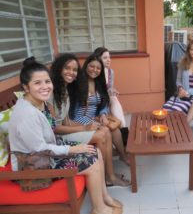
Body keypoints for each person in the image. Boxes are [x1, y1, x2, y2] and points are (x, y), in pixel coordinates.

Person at [8, 57, 123, 214]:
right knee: (91, 160)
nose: (45, 87)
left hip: (44, 154)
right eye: (37, 83)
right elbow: (39, 149)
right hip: (32, 165)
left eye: (47, 82)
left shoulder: (38, 103)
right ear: (26, 87)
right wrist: (71, 149)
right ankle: (99, 209)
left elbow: (53, 128)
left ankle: (105, 197)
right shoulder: (26, 113)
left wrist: (75, 143)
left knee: (93, 150)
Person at [48, 53, 130, 187]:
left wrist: (102, 115)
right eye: (67, 68)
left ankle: (111, 174)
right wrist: (85, 126)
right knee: (104, 133)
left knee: (108, 130)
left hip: (79, 122)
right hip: (66, 131)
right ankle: (108, 177)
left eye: (74, 70)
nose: (71, 73)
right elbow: (59, 124)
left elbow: (103, 102)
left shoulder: (65, 89)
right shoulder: (67, 87)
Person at [71, 54, 130, 166]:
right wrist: (92, 120)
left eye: (98, 68)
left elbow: (104, 103)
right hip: (79, 118)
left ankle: (123, 156)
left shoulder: (99, 83)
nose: (95, 70)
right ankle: (107, 166)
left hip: (94, 117)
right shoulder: (78, 83)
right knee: (105, 129)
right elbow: (73, 112)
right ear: (86, 66)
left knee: (115, 129)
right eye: (92, 66)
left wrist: (103, 114)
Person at [163, 38, 193, 114]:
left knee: (176, 112)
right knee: (165, 109)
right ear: (188, 51)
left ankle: (179, 125)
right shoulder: (183, 63)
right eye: (192, 49)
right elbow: (178, 80)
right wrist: (180, 88)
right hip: (181, 95)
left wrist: (188, 92)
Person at [94, 47, 126, 128]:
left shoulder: (110, 72)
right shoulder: (94, 72)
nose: (108, 60)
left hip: (106, 98)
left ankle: (123, 126)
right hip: (96, 100)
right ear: (98, 59)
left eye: (109, 57)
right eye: (105, 58)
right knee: (113, 99)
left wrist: (112, 90)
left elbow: (109, 88)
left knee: (113, 97)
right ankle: (123, 127)